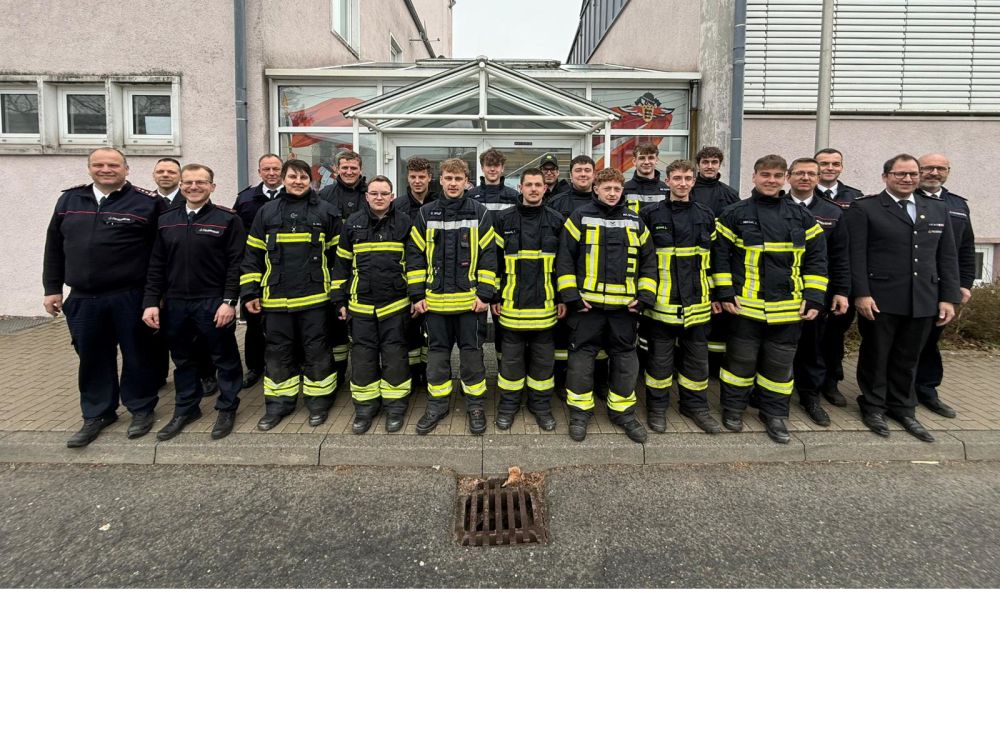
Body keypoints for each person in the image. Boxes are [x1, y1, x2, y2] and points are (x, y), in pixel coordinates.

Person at [43, 147, 163, 447]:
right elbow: (54, 246)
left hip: (129, 294)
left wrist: (154, 297)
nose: (106, 169)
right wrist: (52, 288)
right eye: (99, 165)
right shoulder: (70, 200)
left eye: (113, 165)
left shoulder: (147, 203)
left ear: (126, 169)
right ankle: (97, 413)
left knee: (138, 354)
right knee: (92, 356)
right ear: (89, 168)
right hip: (83, 297)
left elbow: (159, 255)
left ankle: (141, 408)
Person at [712, 154, 827, 444]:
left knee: (778, 367)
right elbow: (720, 257)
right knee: (739, 364)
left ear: (785, 178)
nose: (771, 180)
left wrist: (813, 297)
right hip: (744, 307)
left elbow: (816, 259)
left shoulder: (800, 216)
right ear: (754, 177)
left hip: (788, 309)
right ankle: (733, 409)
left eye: (777, 176)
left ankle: (774, 414)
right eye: (765, 175)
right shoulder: (735, 213)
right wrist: (724, 293)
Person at [847, 153, 960, 443]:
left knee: (909, 357)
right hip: (881, 297)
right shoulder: (866, 208)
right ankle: (873, 406)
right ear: (886, 176)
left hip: (923, 297)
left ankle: (903, 408)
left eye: (912, 174)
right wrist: (861, 293)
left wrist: (948, 298)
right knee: (877, 354)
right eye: (900, 174)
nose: (907, 179)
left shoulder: (936, 208)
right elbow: (856, 255)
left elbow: (946, 257)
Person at [141, 163, 246, 441]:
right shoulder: (167, 219)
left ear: (212, 186)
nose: (193, 187)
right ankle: (186, 408)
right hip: (175, 303)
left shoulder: (227, 220)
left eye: (201, 182)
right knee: (184, 359)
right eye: (188, 182)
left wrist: (229, 301)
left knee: (224, 357)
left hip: (212, 301)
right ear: (181, 185)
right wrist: (151, 301)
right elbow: (156, 265)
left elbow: (236, 264)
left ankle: (227, 406)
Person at [556, 167, 657, 444]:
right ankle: (579, 413)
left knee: (625, 362)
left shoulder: (636, 221)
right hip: (587, 309)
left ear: (622, 190)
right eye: (607, 188)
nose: (612, 193)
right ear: (596, 190)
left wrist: (646, 296)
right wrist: (571, 297)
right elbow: (565, 259)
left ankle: (622, 413)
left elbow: (650, 262)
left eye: (617, 189)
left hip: (624, 310)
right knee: (581, 363)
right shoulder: (579, 217)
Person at [240, 159, 341, 431]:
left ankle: (319, 402)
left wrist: (337, 295)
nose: (298, 182)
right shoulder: (267, 212)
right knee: (278, 353)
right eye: (293, 176)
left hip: (315, 299)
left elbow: (338, 259)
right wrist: (250, 291)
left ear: (312, 181)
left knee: (317, 351)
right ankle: (278, 404)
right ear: (284, 179)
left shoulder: (327, 212)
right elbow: (252, 256)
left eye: (303, 177)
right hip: (276, 300)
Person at [405, 157, 498, 435]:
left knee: (472, 357)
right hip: (434, 304)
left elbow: (489, 257)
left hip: (470, 304)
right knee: (437, 357)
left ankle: (476, 406)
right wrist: (416, 294)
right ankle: (437, 405)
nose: (453, 183)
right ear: (441, 180)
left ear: (466, 181)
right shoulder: (425, 214)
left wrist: (485, 295)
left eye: (458, 179)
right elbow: (414, 255)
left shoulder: (480, 212)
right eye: (448, 178)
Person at [638, 159, 721, 434]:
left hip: (697, 302)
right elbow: (642, 259)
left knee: (697, 361)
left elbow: (716, 259)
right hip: (661, 303)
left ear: (694, 181)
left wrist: (719, 293)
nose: (682, 183)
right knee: (659, 362)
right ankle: (657, 408)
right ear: (668, 181)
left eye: (687, 178)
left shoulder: (706, 214)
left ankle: (695, 407)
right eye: (677, 178)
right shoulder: (651, 214)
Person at [331, 176, 414, 434]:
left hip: (395, 304)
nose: (379, 197)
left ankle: (396, 407)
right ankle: (365, 409)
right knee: (363, 358)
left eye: (384, 193)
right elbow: (341, 264)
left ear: (392, 196)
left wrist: (416, 295)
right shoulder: (352, 224)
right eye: (374, 193)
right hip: (361, 306)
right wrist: (339, 299)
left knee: (395, 357)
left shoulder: (405, 223)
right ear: (366, 196)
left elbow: (415, 263)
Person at [492, 168, 565, 431]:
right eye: (529, 185)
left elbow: (564, 265)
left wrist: (562, 298)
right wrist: (494, 296)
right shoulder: (503, 219)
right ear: (519, 188)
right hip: (511, 305)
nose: (534, 189)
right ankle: (508, 406)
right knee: (511, 364)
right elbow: (495, 262)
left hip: (546, 306)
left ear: (546, 189)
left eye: (539, 185)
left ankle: (541, 407)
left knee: (543, 362)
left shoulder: (557, 220)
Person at [785, 157, 851, 427]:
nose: (805, 178)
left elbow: (841, 256)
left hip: (816, 292)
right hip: (778, 292)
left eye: (811, 173)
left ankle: (810, 396)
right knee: (776, 348)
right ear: (789, 176)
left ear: (818, 177)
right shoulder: (774, 206)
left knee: (813, 347)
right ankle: (767, 395)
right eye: (799, 173)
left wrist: (842, 291)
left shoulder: (832, 212)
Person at [915, 153, 976, 418]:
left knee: (931, 341)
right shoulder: (906, 201)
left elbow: (966, 248)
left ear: (948, 172)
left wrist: (963, 284)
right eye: (928, 168)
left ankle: (927, 390)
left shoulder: (958, 205)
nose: (934, 172)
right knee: (904, 343)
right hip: (913, 284)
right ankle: (898, 392)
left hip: (943, 287)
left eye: (940, 168)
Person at [232, 153, 284, 390]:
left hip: (284, 271)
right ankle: (254, 367)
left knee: (283, 323)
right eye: (267, 169)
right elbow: (238, 238)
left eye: (276, 169)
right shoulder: (245, 199)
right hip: (255, 269)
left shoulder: (296, 196)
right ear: (260, 171)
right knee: (254, 324)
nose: (272, 173)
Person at [547, 155, 596, 394]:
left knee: (593, 338)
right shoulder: (557, 203)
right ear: (571, 174)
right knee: (561, 336)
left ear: (594, 174)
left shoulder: (606, 202)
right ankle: (559, 382)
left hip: (595, 283)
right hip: (564, 279)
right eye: (579, 170)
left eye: (587, 170)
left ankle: (596, 382)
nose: (583, 174)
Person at [691, 146, 741, 374]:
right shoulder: (690, 189)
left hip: (721, 258)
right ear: (699, 164)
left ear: (720, 165)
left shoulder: (730, 194)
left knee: (720, 320)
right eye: (705, 162)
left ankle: (716, 368)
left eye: (714, 162)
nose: (709, 166)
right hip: (692, 259)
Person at [317, 150, 364, 390]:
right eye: (344, 168)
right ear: (336, 169)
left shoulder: (370, 194)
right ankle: (337, 374)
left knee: (362, 329)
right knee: (335, 327)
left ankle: (363, 373)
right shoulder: (325, 196)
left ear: (360, 170)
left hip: (365, 270)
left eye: (353, 168)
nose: (349, 172)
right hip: (335, 268)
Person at [392, 156, 439, 388]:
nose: (417, 181)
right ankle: (413, 377)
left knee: (433, 334)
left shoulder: (440, 203)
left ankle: (431, 376)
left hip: (436, 279)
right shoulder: (397, 207)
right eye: (413, 177)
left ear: (430, 177)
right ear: (407, 178)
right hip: (407, 278)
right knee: (409, 332)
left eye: (422, 177)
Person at [467, 147, 518, 214]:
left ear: (502, 168)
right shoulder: (470, 196)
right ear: (482, 168)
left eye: (496, 165)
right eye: (489, 165)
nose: (492, 169)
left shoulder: (514, 196)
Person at [623, 143, 668, 213]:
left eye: (651, 158)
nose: (646, 162)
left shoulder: (667, 190)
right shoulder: (624, 189)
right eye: (642, 158)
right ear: (634, 161)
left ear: (656, 160)